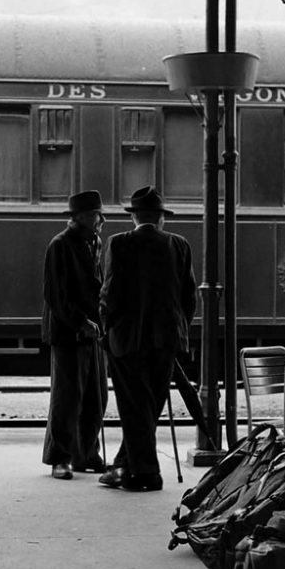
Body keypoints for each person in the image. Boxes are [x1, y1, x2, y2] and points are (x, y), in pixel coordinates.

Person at [98, 186, 197, 492]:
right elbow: (189, 296)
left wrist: (105, 328)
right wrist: (179, 327)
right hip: (167, 339)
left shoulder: (118, 243)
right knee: (149, 404)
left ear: (135, 217)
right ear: (160, 218)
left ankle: (145, 473)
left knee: (134, 405)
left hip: (127, 339)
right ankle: (124, 461)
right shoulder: (179, 245)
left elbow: (110, 292)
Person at [41, 189, 108, 479]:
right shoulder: (61, 245)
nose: (100, 219)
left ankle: (86, 451)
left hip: (92, 329)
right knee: (67, 396)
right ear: (80, 217)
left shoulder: (94, 242)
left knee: (96, 394)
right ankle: (61, 457)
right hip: (69, 330)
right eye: (95, 214)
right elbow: (56, 294)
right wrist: (80, 321)